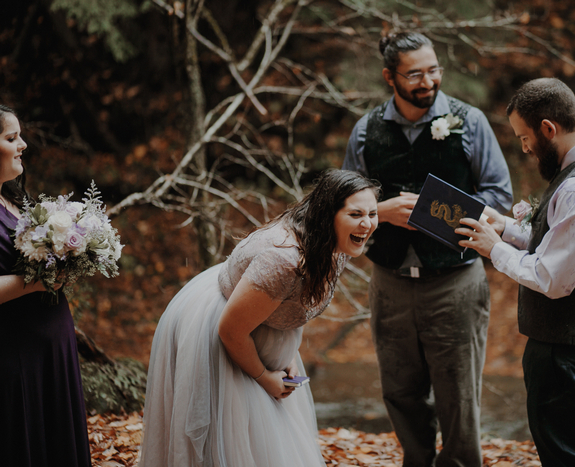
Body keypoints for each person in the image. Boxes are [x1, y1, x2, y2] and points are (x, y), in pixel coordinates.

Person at [342, 32, 513, 466]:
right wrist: (379, 212)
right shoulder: (365, 132)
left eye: (433, 70)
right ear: (389, 77)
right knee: (399, 391)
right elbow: (343, 207)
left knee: (459, 394)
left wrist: (446, 212)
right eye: (415, 73)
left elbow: (500, 196)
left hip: (455, 282)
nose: (428, 81)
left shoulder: (470, 122)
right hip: (390, 282)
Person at [140, 169, 380, 467]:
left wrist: (287, 356)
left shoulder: (333, 243)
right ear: (328, 214)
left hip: (259, 328)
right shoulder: (284, 260)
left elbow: (289, 304)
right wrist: (265, 378)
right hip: (224, 331)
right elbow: (229, 331)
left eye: (372, 213)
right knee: (231, 443)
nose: (367, 223)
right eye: (356, 213)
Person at [457, 78, 575, 467]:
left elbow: (551, 278)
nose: (523, 148)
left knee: (571, 459)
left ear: (549, 129)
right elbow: (560, 243)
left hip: (571, 351)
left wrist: (494, 248)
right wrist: (505, 227)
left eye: (524, 137)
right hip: (574, 345)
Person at [0, 105, 92, 466]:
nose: (23, 144)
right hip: (16, 356)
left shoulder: (12, 198)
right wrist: (37, 282)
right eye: (11, 138)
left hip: (51, 352)